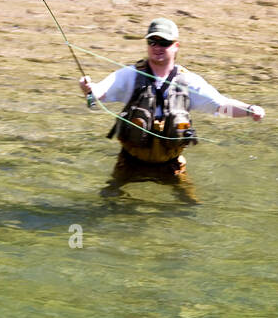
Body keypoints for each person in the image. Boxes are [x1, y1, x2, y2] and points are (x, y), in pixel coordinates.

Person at [79, 17, 264, 202]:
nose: (157, 47)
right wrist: (89, 88)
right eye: (152, 42)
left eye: (164, 43)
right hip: (129, 161)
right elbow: (99, 93)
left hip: (172, 165)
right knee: (107, 201)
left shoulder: (189, 81)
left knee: (191, 205)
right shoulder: (130, 74)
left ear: (176, 46)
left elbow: (221, 106)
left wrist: (249, 110)